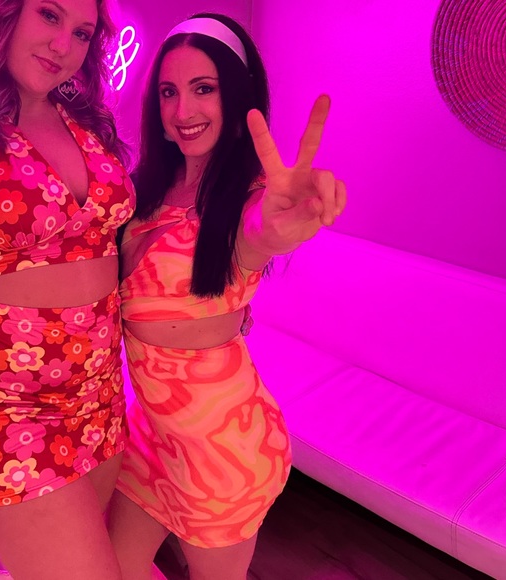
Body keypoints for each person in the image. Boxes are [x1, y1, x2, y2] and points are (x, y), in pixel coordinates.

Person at [108, 13, 347, 580]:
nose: (182, 110)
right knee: (107, 569)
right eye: (169, 92)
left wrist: (286, 221)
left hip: (222, 452)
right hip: (151, 434)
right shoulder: (145, 190)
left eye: (204, 89)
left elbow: (262, 230)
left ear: (237, 98)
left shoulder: (247, 200)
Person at [0, 1, 136, 578]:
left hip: (97, 391)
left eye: (82, 32)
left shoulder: (88, 122)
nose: (63, 45)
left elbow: (109, 245)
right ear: (6, 14)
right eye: (49, 15)